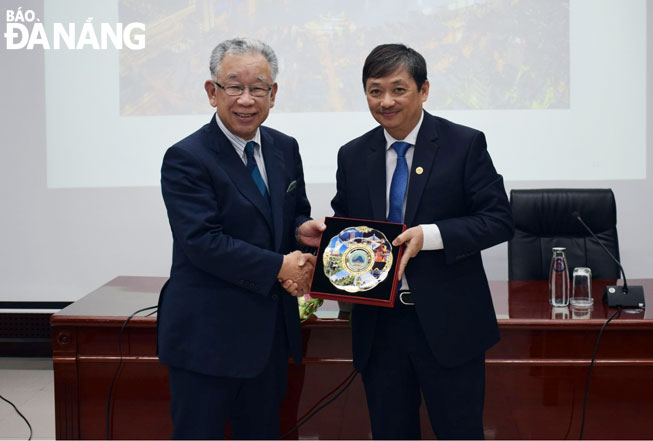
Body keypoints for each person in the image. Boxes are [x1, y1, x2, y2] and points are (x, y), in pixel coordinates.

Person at [330, 44, 514, 439]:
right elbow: (348, 232)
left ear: (424, 89)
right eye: (375, 91)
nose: (385, 101)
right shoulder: (353, 155)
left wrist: (432, 236)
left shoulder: (463, 144)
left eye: (398, 89)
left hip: (449, 324)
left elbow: (498, 220)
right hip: (380, 328)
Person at [159, 37, 325, 439]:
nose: (247, 100)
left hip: (269, 337)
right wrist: (281, 265)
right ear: (212, 92)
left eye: (259, 88)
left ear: (274, 95)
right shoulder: (187, 157)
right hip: (207, 338)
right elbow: (202, 242)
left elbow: (289, 214)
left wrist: (301, 230)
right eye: (234, 86)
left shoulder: (285, 148)